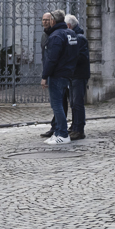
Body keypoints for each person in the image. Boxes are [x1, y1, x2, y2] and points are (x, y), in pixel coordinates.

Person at [40, 10, 77, 145]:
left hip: (57, 74)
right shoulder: (71, 33)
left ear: (53, 21)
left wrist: (45, 76)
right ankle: (58, 132)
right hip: (67, 73)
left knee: (57, 105)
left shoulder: (56, 36)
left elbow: (52, 59)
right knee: (60, 104)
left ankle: (62, 133)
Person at [65, 14, 90, 140]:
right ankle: (74, 126)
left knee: (77, 103)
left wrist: (68, 59)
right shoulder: (75, 36)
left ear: (69, 25)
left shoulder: (79, 38)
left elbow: (81, 57)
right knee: (74, 103)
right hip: (74, 74)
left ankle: (79, 129)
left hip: (78, 75)